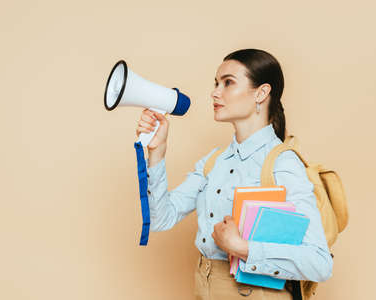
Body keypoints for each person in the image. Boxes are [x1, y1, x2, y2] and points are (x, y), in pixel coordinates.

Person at [135, 48, 333, 299]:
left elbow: (320, 263)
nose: (215, 92)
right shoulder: (213, 161)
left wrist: (242, 248)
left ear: (261, 93)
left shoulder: (282, 164)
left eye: (228, 83)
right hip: (204, 288)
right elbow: (161, 218)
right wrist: (157, 152)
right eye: (216, 83)